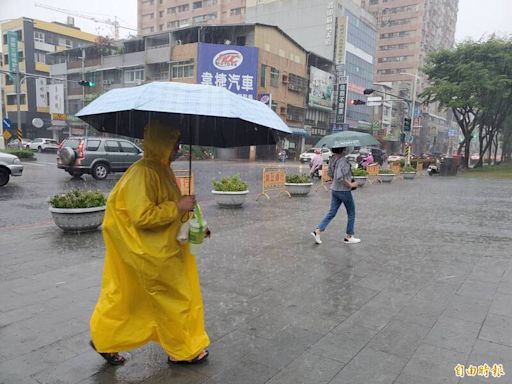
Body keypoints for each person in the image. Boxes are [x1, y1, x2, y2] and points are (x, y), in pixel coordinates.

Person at [89, 120, 210, 366]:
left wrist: (196, 222)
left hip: (163, 249)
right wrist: (177, 206)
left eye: (177, 145)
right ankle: (183, 350)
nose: (177, 150)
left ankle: (104, 338)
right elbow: (142, 216)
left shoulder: (161, 169)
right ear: (160, 144)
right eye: (173, 145)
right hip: (151, 253)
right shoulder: (144, 172)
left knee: (130, 301)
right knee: (174, 301)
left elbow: (174, 206)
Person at [311, 146, 361, 245]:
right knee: (351, 212)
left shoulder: (333, 159)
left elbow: (330, 173)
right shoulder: (343, 161)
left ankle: (317, 231)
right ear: (343, 150)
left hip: (335, 190)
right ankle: (349, 236)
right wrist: (351, 185)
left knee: (332, 212)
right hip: (344, 191)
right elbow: (339, 177)